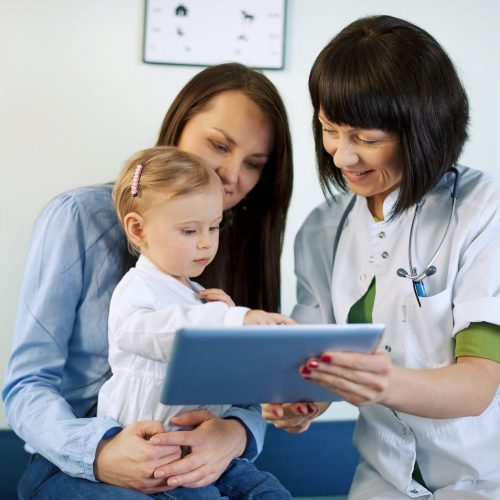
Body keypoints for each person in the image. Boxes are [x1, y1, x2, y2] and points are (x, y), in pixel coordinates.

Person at [2, 63, 293, 498]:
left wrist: (233, 434)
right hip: (77, 463)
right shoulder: (80, 217)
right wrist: (99, 453)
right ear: (178, 125)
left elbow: (243, 393)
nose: (232, 175)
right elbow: (27, 385)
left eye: (253, 164)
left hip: (192, 457)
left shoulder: (230, 240)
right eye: (219, 145)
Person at [263, 15, 500, 499]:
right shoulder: (323, 229)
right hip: (382, 479)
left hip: (485, 477)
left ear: (425, 130)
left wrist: (380, 382)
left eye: (367, 140)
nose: (342, 156)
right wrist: (299, 402)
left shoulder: (484, 212)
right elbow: (313, 364)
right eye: (330, 129)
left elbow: (478, 385)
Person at [96, 145, 293, 499]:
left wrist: (237, 335)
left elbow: (214, 362)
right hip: (157, 452)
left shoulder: (200, 295)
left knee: (270, 491)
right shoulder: (137, 288)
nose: (206, 243)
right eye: (189, 231)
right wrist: (228, 321)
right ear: (138, 230)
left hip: (205, 447)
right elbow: (146, 333)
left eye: (214, 227)